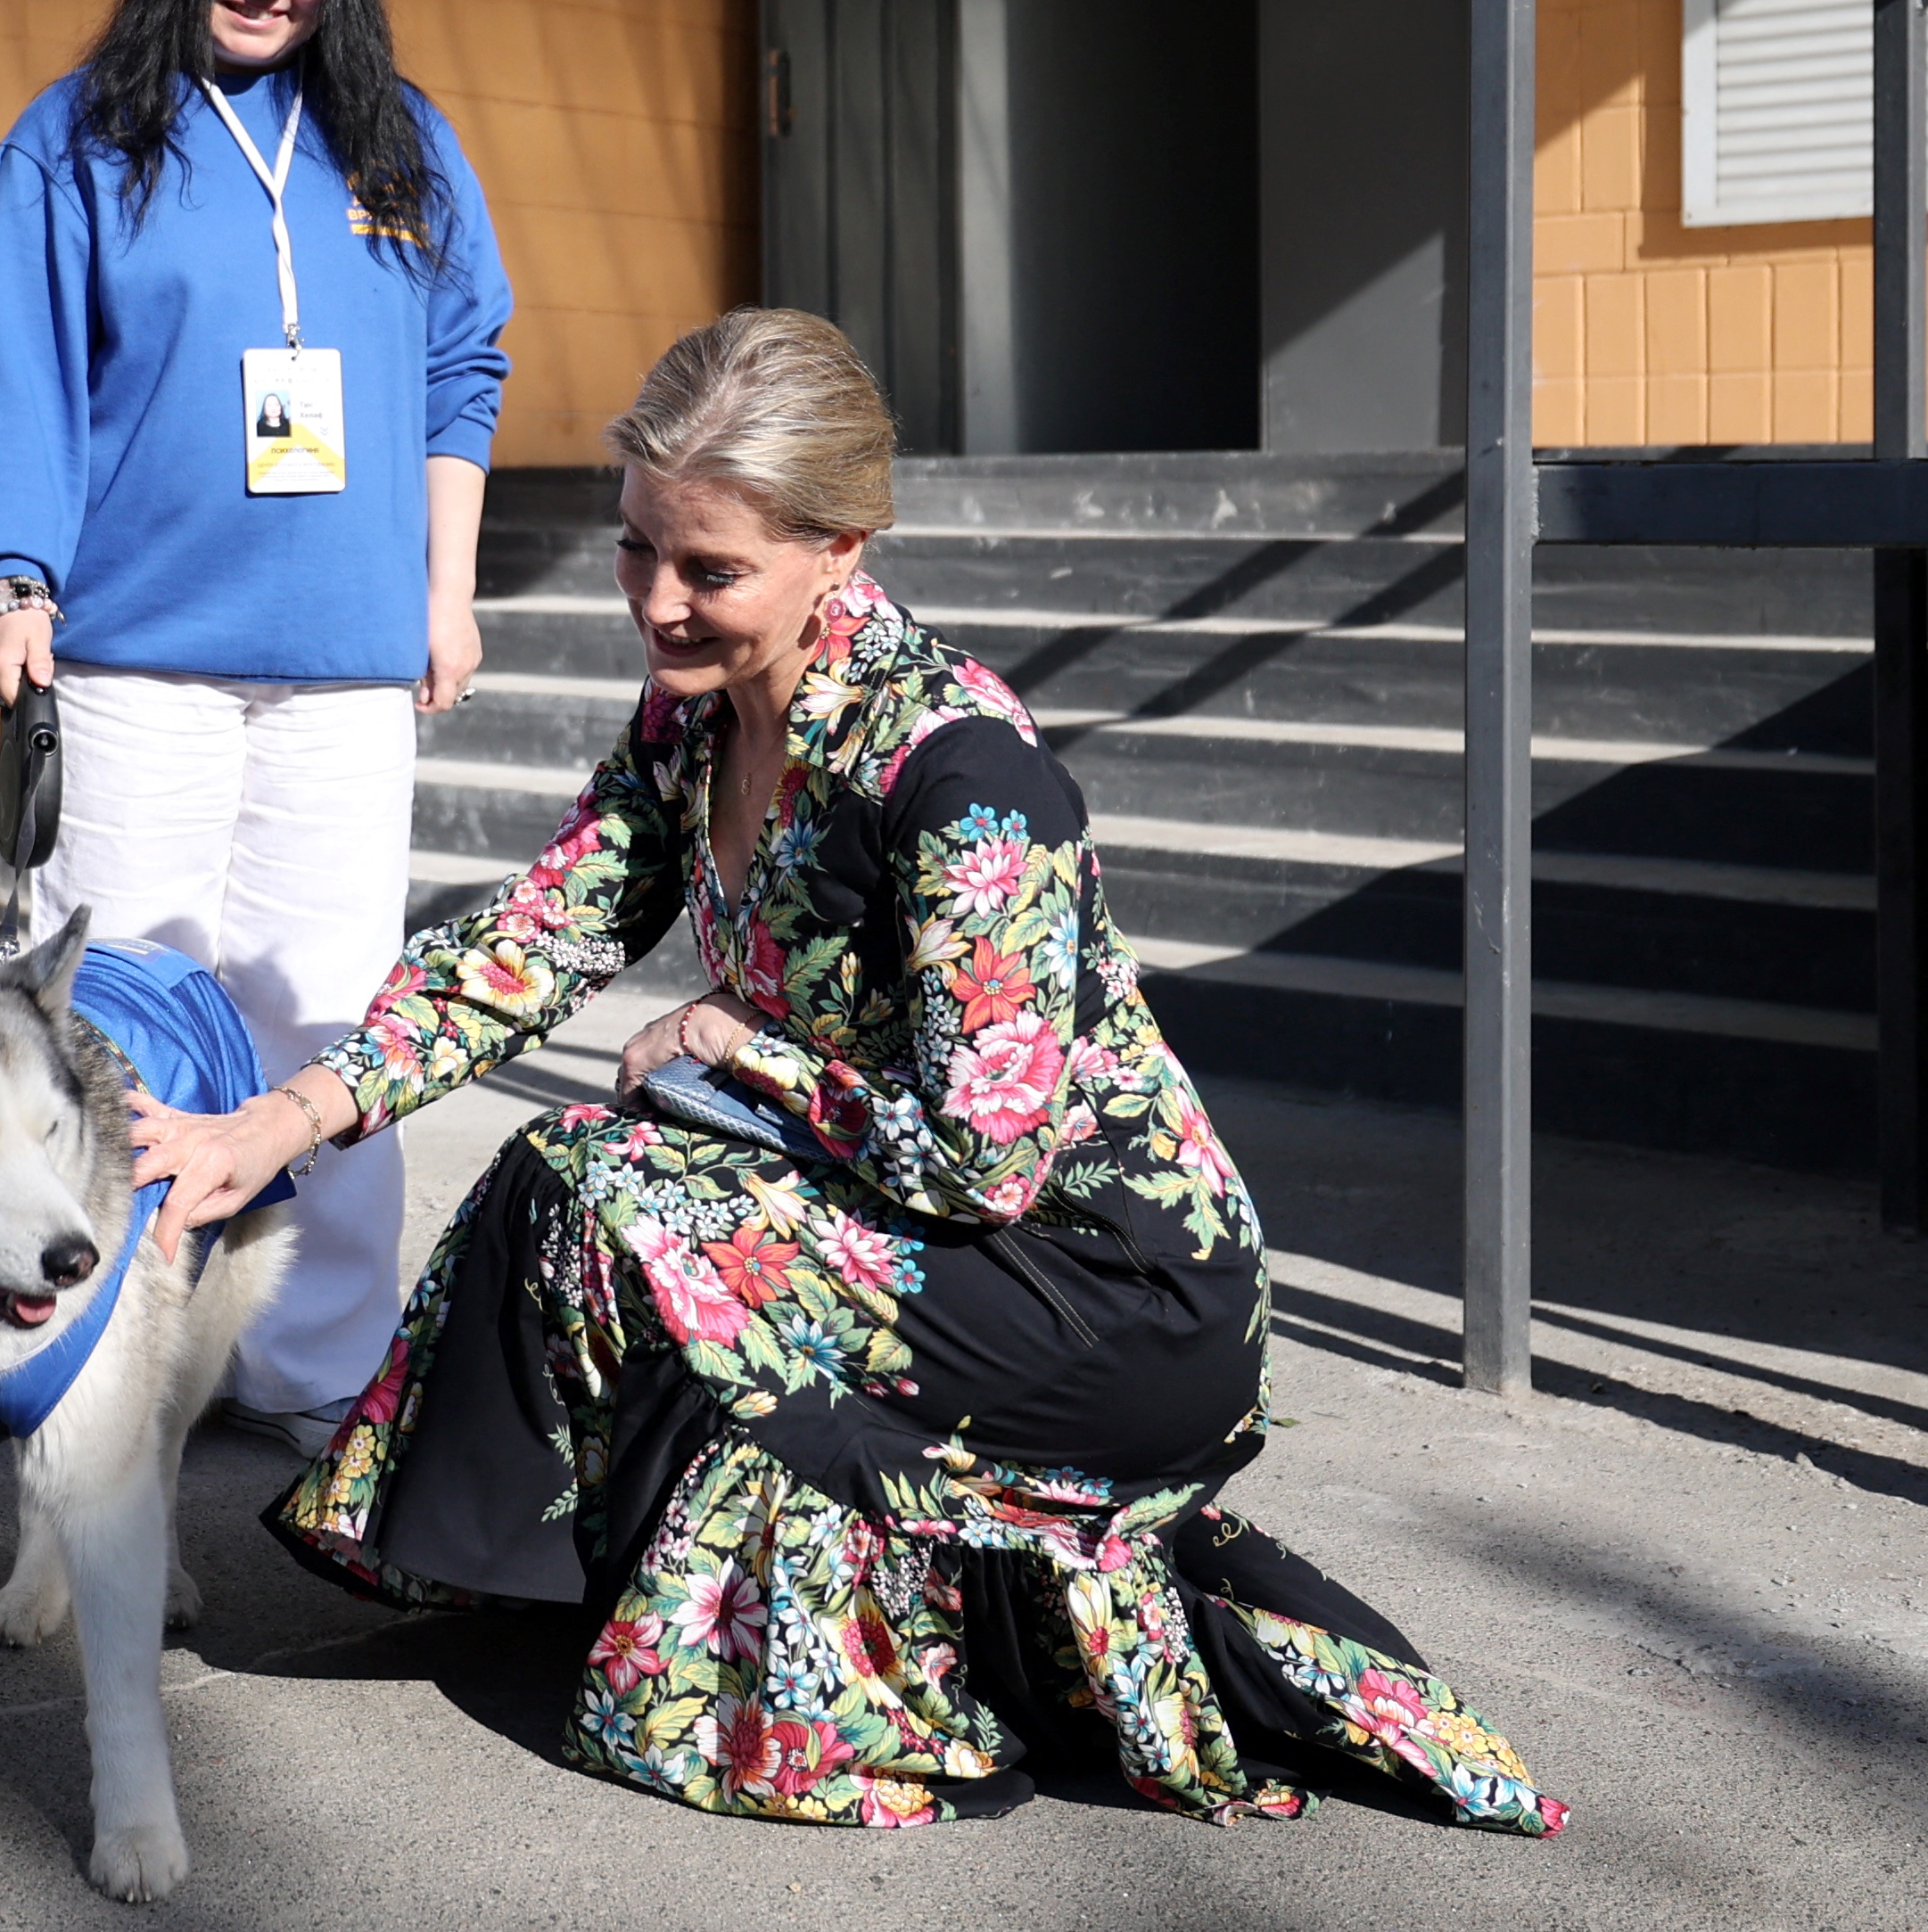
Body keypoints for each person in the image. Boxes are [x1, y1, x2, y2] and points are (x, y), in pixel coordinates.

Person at [130, 310, 1568, 1837]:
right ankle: (531, 1566)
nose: (656, 605)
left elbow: (982, 1161)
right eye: (637, 552)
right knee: (564, 1174)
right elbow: (540, 934)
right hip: (907, 1211)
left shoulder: (963, 775)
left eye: (708, 572)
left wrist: (741, 1047)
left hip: (1105, 1286)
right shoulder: (692, 721)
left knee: (638, 1194)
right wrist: (280, 1121)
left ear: (841, 550)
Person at [0, 0, 512, 1457]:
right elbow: (23, 374)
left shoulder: (400, 143)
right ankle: (107, 1352)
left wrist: (448, 592)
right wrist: (13, 578)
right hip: (132, 657)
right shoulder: (79, 138)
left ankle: (316, 1370)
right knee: (118, 1007)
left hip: (343, 667)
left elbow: (461, 367)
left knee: (326, 1012)